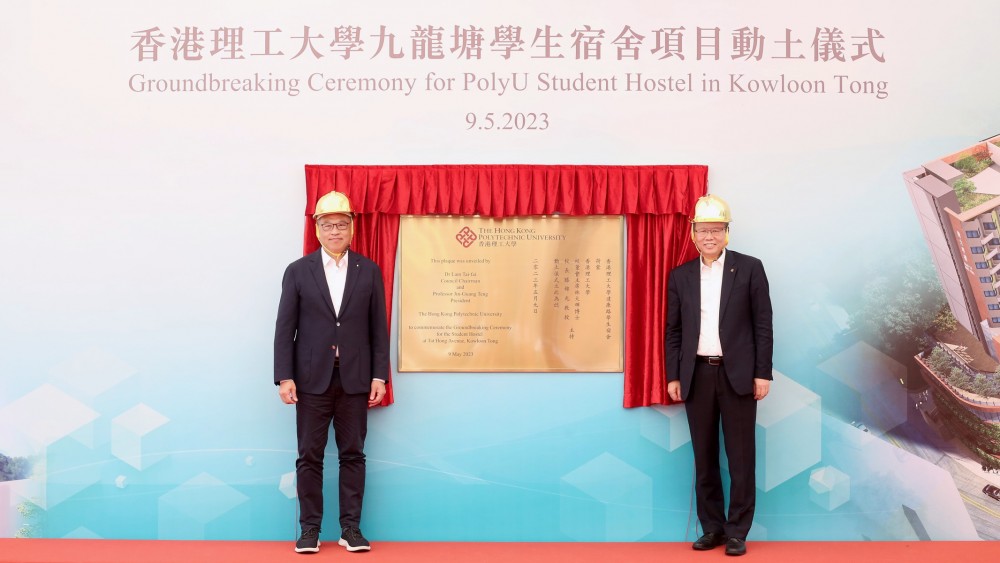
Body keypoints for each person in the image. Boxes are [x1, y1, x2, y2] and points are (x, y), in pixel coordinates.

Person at [274, 190, 390, 554]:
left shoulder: (368, 270)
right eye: (328, 225)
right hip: (310, 380)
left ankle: (350, 529)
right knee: (309, 455)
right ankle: (309, 530)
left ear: (352, 228)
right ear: (318, 229)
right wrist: (285, 376)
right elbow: (285, 328)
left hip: (355, 379)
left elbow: (377, 330)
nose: (335, 231)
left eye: (341, 224)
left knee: (353, 454)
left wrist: (379, 376)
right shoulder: (298, 271)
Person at [664, 194, 773, 557]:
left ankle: (738, 531)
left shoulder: (750, 268)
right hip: (696, 374)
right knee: (704, 456)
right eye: (702, 229)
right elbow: (673, 331)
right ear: (693, 233)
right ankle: (711, 528)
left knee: (741, 457)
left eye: (716, 229)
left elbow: (762, 325)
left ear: (727, 232)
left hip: (738, 375)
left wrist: (762, 373)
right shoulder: (680, 276)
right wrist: (673, 375)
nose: (709, 235)